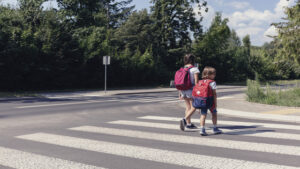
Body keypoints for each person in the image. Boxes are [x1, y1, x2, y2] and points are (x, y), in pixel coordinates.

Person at [182, 66, 222, 136]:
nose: (215, 75)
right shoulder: (212, 82)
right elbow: (214, 94)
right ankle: (215, 128)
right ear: (209, 75)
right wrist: (215, 104)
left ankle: (202, 129)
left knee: (203, 115)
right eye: (214, 74)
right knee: (214, 114)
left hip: (202, 101)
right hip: (210, 101)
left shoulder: (200, 82)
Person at [179, 54, 200, 131]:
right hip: (191, 90)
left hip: (183, 90)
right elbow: (196, 81)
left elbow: (180, 81)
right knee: (194, 107)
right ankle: (184, 120)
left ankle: (189, 124)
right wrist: (198, 91)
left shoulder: (182, 68)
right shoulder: (195, 69)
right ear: (192, 60)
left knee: (188, 107)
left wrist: (180, 93)